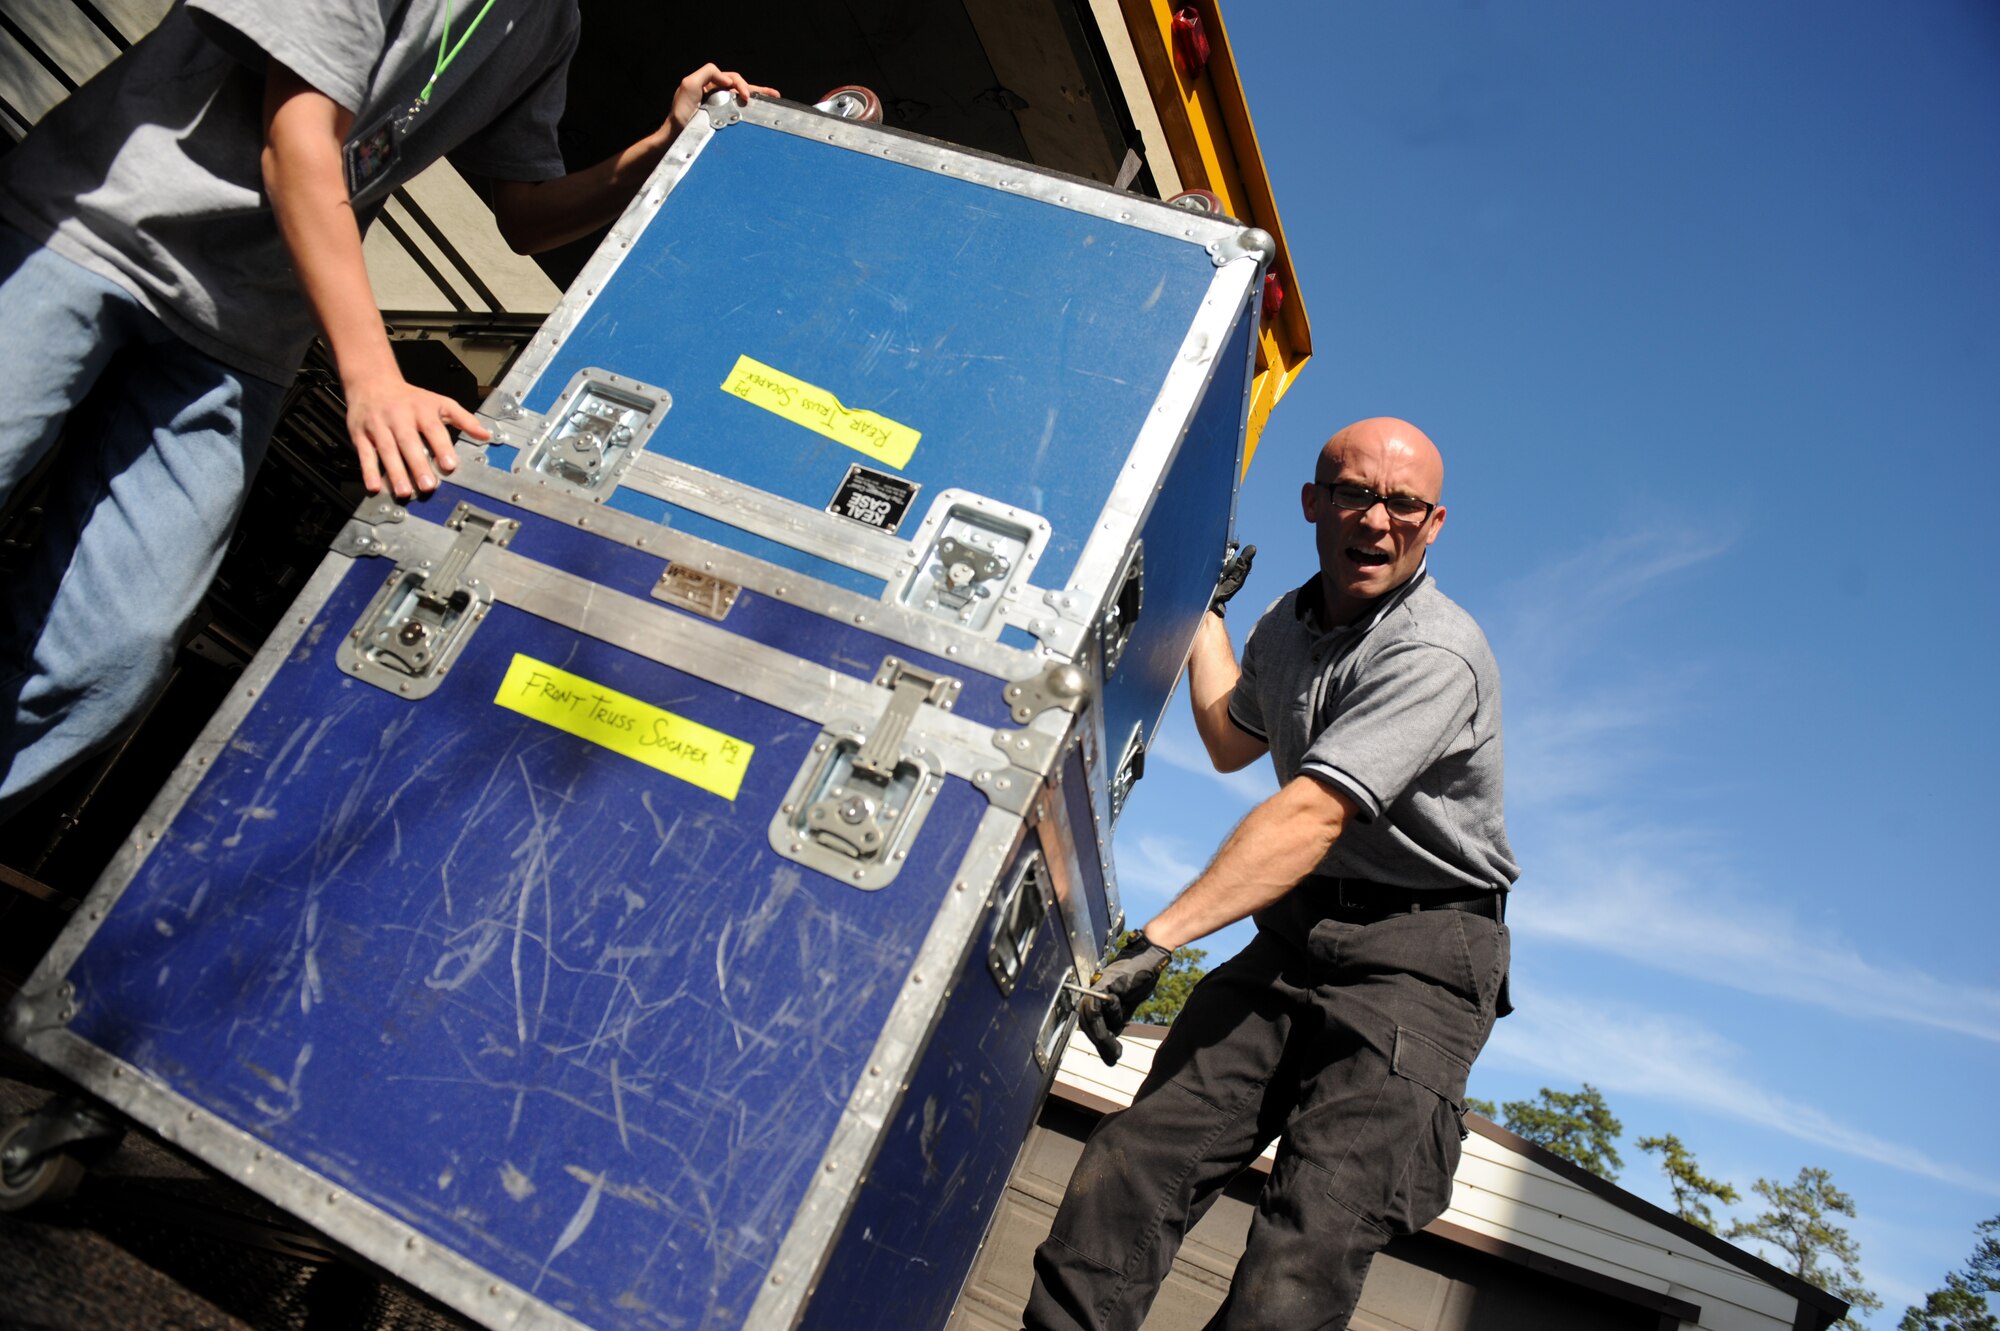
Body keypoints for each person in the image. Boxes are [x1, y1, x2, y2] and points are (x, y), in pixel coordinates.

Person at [0, 0, 774, 817]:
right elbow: (297, 141)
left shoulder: (548, 23)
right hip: (94, 237)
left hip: (245, 331)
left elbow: (526, 216)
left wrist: (664, 147)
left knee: (112, 657)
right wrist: (373, 375)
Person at [1024, 417, 1518, 1331]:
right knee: (1133, 1165)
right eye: (1354, 494)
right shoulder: (1287, 627)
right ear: (1314, 504)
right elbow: (1230, 738)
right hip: (1301, 931)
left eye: (1403, 503)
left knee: (1295, 1268)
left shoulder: (1433, 651)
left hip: (1421, 958)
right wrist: (1206, 612)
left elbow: (1312, 812)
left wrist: (1157, 941)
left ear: (1434, 523)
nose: (1378, 519)